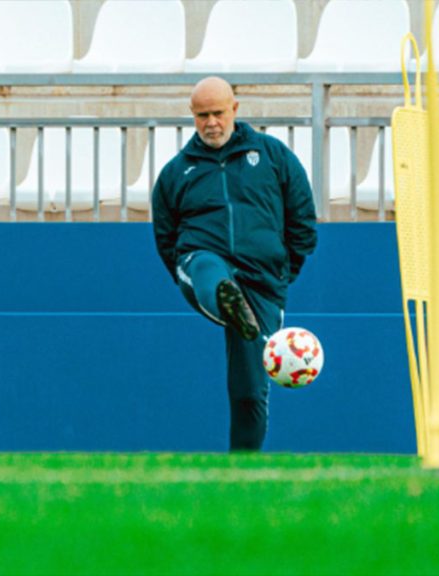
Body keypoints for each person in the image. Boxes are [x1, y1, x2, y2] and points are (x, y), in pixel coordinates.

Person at [151, 76, 317, 451]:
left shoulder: (274, 156)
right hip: (201, 260)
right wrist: (184, 269)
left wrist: (284, 272)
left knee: (249, 391)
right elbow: (165, 236)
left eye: (218, 113)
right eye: (202, 115)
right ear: (192, 116)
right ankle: (224, 296)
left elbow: (302, 218)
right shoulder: (177, 172)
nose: (212, 122)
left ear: (235, 110)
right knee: (208, 268)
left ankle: (244, 471)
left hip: (263, 281)